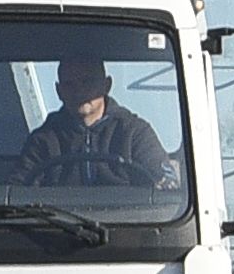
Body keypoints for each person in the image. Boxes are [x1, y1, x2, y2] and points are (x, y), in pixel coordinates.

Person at [15, 53, 176, 191]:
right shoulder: (42, 140)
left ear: (106, 85)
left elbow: (166, 185)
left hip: (129, 225)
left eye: (87, 82)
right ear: (59, 91)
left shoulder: (134, 133)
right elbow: (18, 190)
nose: (79, 91)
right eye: (69, 84)